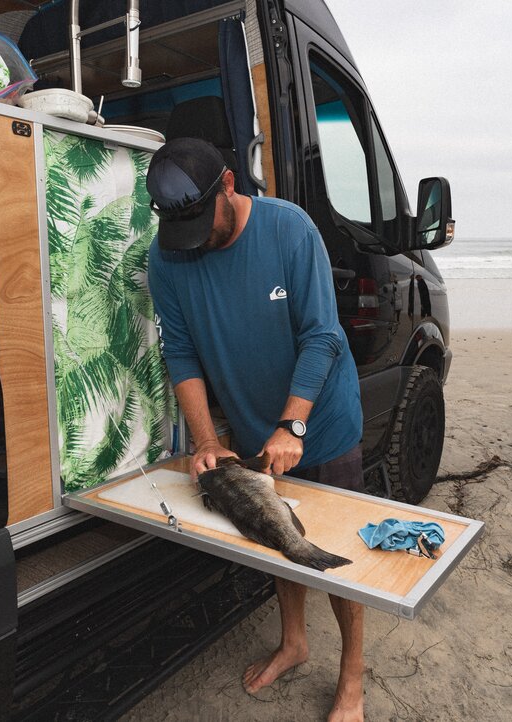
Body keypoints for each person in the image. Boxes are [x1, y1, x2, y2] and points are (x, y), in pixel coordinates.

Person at [145, 137, 366, 722]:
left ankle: (351, 678)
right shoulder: (166, 258)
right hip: (249, 429)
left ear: (228, 185)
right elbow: (183, 355)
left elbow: (323, 335)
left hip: (322, 423)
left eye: (200, 220)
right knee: (278, 539)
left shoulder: (289, 230)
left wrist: (292, 424)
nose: (191, 240)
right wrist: (208, 440)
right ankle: (294, 642)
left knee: (339, 557)